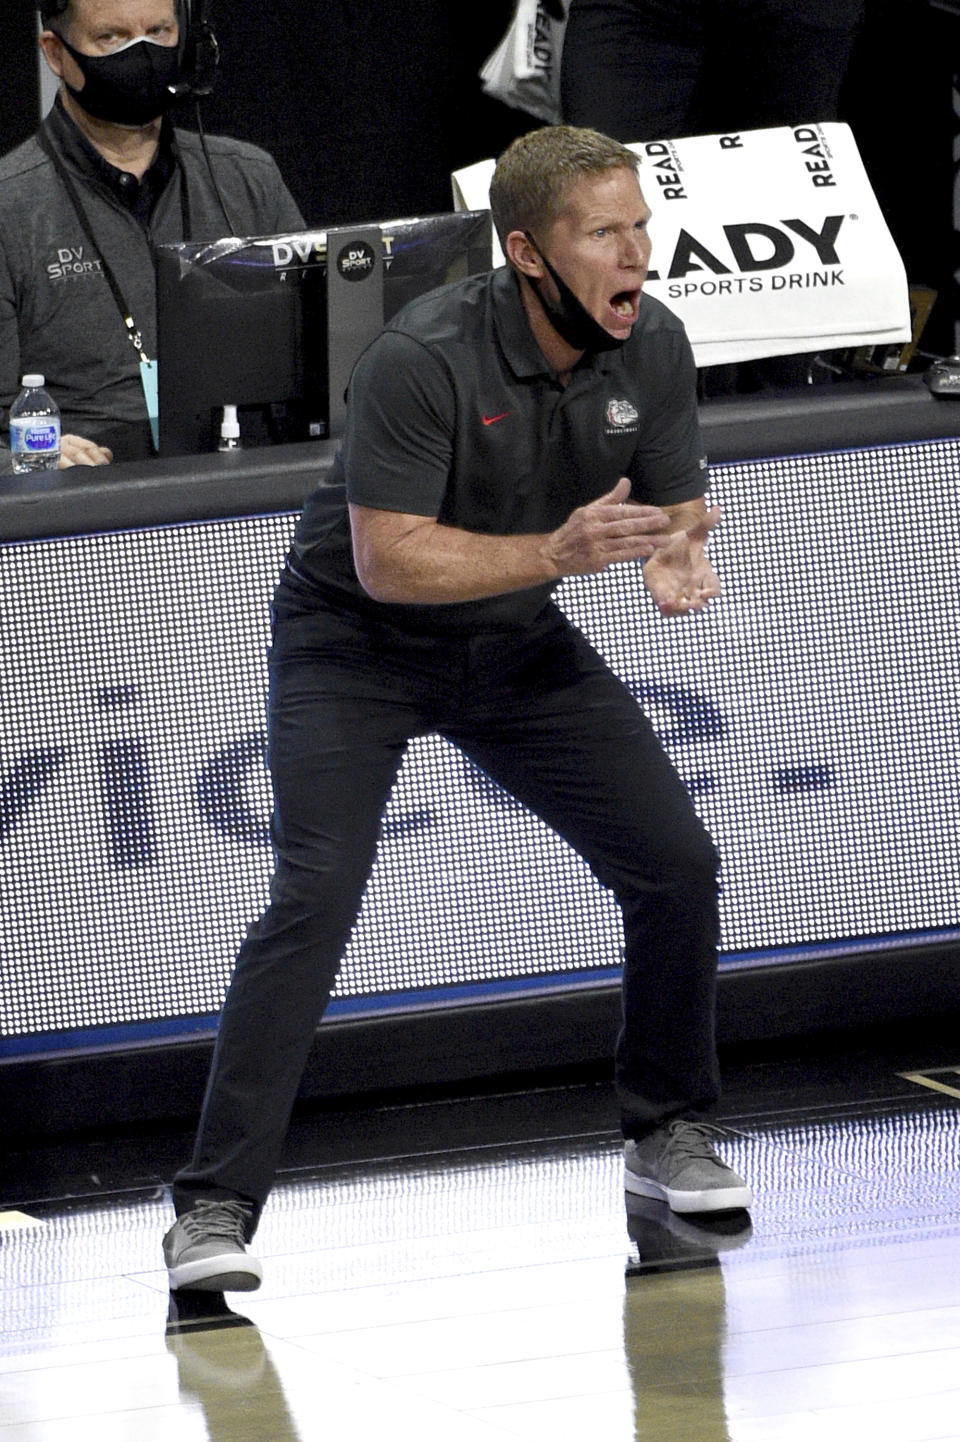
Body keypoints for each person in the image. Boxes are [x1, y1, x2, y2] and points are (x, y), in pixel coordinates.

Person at [162, 123, 752, 1294]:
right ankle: (213, 1207)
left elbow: (680, 502)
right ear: (530, 252)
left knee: (677, 861)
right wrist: (560, 549)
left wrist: (674, 556)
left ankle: (666, 1129)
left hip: (514, 640)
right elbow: (388, 563)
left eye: (641, 223)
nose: (640, 251)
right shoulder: (421, 356)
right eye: (606, 232)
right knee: (316, 892)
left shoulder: (657, 342)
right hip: (355, 646)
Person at [0, 0, 304, 467]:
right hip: (88, 503)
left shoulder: (249, 180)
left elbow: (325, 374)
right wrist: (28, 457)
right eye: (112, 38)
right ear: (55, 54)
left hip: (245, 483)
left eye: (159, 32)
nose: (142, 55)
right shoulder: (10, 207)